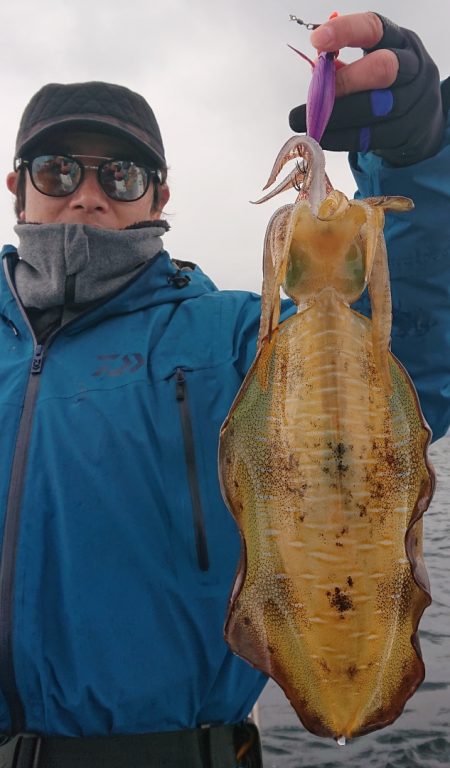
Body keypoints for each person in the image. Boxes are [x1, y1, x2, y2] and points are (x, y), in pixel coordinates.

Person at [0, 10, 449, 768]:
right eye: (56, 171)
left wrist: (415, 156)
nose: (86, 195)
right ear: (18, 188)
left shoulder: (240, 341)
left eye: (121, 173)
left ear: (160, 195)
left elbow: (405, 347)